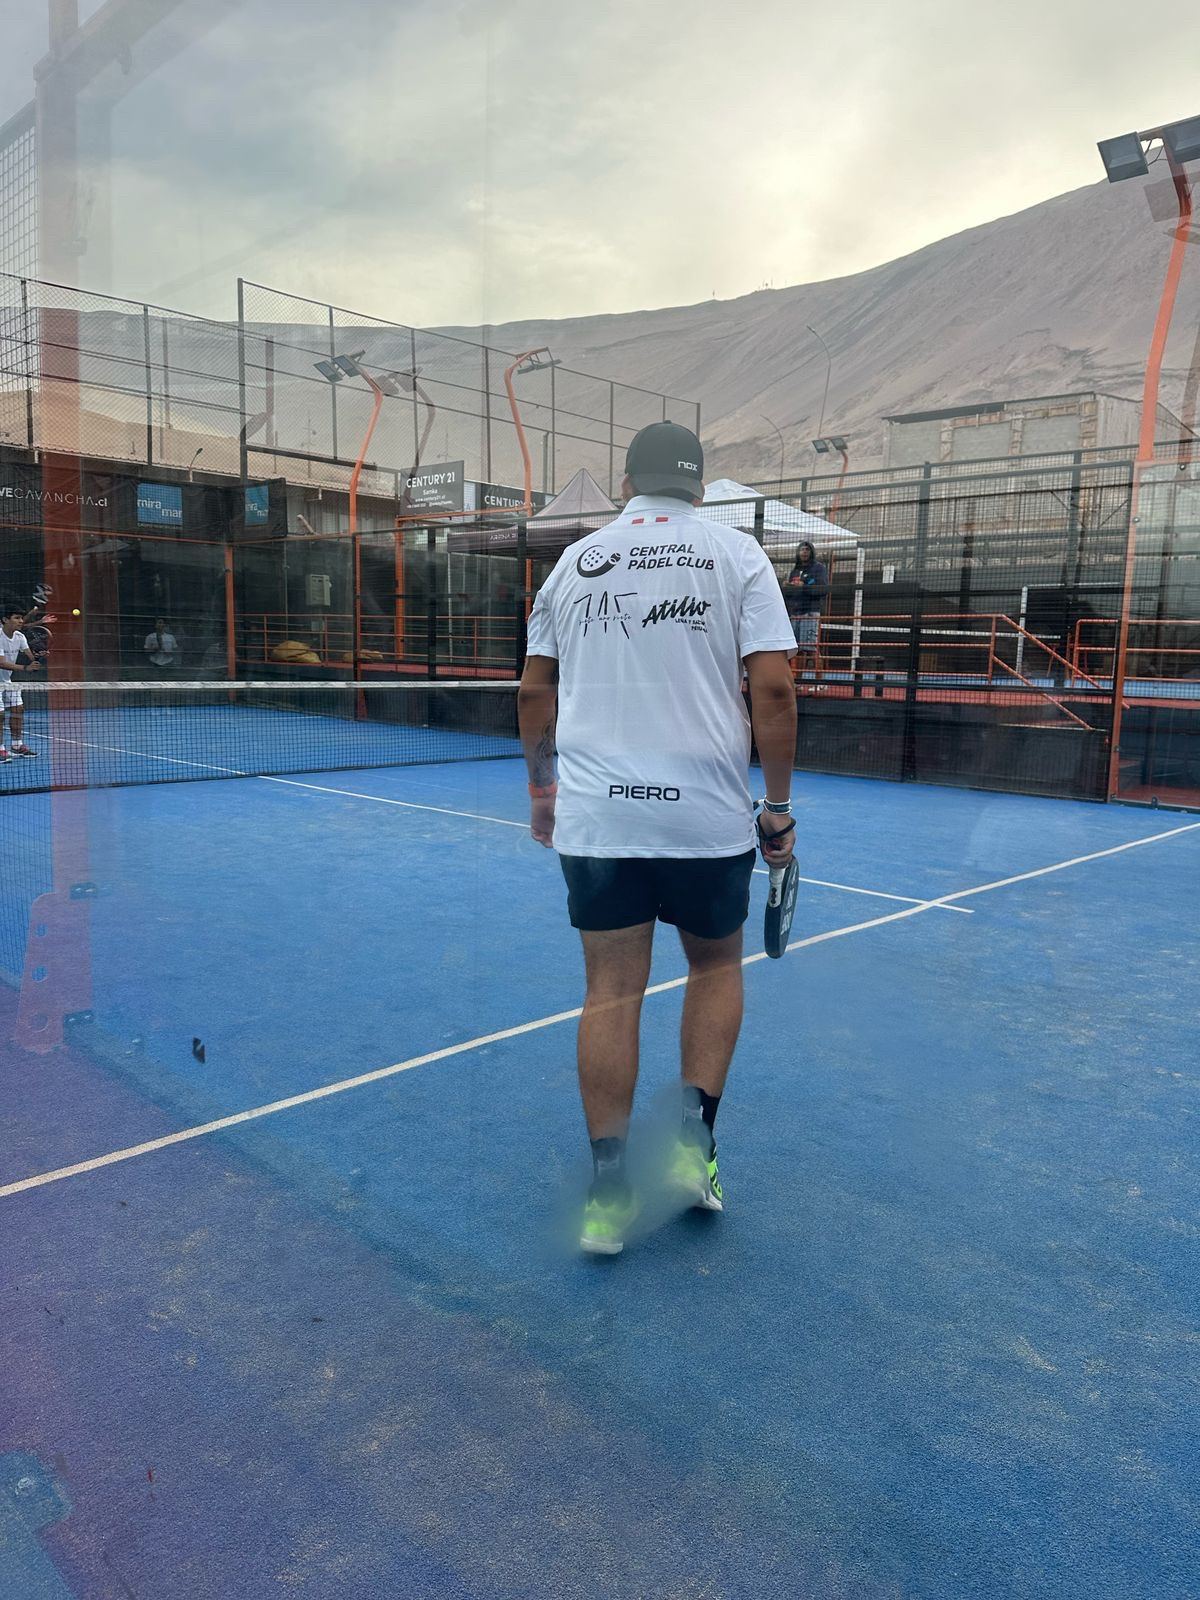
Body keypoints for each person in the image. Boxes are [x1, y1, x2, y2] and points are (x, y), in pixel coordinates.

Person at [518, 421, 798, 1255]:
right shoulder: (737, 556)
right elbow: (774, 690)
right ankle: (691, 1150)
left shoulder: (573, 563)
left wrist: (543, 792)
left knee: (610, 993)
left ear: (626, 483)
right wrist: (776, 806)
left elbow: (534, 693)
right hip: (704, 820)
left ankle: (608, 1195)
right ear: (699, 487)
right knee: (714, 968)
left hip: (599, 820)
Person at [784, 540, 829, 690]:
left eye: (807, 550)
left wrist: (804, 587)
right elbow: (790, 594)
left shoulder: (818, 568)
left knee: (811, 648)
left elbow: (823, 589)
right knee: (798, 650)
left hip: (810, 612)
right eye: (802, 549)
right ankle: (798, 682)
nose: (804, 552)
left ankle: (820, 684)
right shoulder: (795, 570)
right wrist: (788, 587)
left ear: (811, 552)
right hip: (796, 613)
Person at [0, 602, 40, 762]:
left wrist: (37, 657)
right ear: (5, 619)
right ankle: (0, 749)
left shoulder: (20, 637)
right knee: (0, 715)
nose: (21, 621)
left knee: (18, 709)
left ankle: (17, 745)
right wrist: (25, 668)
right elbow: (1, 663)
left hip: (6, 680)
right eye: (17, 618)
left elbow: (30, 656)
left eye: (22, 618)